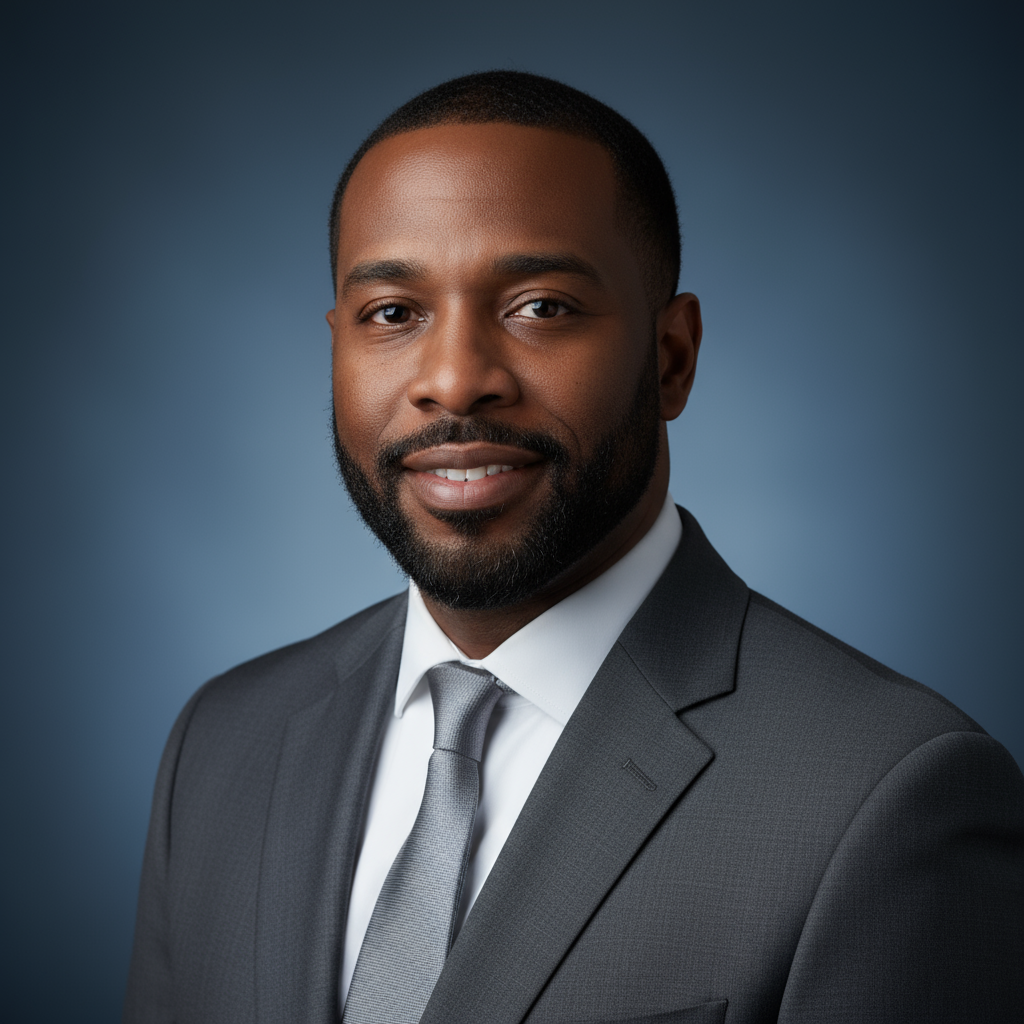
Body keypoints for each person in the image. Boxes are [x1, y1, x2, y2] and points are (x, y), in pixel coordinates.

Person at [124, 71, 1023, 1024]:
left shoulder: (889, 795)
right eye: (394, 313)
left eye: (541, 306)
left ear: (670, 358)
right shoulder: (220, 746)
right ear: (338, 344)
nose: (456, 380)